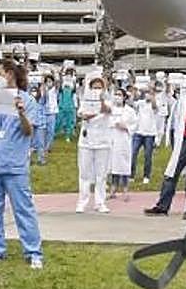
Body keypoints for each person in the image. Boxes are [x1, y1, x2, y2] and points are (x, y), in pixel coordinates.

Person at [0, 59, 43, 269]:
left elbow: (28, 131)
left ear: (10, 74)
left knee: (23, 210)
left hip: (14, 165)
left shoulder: (27, 99)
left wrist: (21, 112)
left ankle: (33, 252)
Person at [145, 71, 186, 219]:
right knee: (171, 173)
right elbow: (168, 109)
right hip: (183, 140)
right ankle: (162, 206)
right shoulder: (181, 100)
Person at [75, 75, 112, 214]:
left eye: (99, 86)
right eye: (94, 87)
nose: (97, 89)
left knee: (101, 175)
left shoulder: (109, 99)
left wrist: (101, 101)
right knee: (84, 173)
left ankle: (100, 202)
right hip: (86, 141)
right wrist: (91, 114)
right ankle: (82, 202)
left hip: (103, 141)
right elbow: (82, 114)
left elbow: (107, 111)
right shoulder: (85, 100)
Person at [109, 89, 137, 201]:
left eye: (120, 95)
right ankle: (113, 188)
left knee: (124, 165)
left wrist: (126, 127)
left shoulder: (130, 111)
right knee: (113, 165)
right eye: (116, 94)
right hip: (112, 138)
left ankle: (125, 189)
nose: (117, 97)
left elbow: (135, 124)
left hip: (124, 139)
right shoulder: (110, 109)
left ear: (125, 97)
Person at [131, 85, 159, 184]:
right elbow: (133, 102)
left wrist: (153, 96)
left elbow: (155, 107)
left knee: (148, 156)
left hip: (149, 134)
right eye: (146, 93)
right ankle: (131, 175)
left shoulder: (154, 104)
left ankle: (146, 176)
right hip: (138, 132)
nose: (147, 95)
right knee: (133, 153)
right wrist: (134, 91)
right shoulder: (140, 103)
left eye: (149, 93)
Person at [55, 71, 77, 141]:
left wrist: (74, 78)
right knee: (58, 121)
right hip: (62, 107)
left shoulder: (72, 89)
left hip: (70, 107)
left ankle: (67, 136)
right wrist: (61, 75)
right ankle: (54, 133)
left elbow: (74, 88)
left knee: (69, 122)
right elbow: (60, 83)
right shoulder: (61, 89)